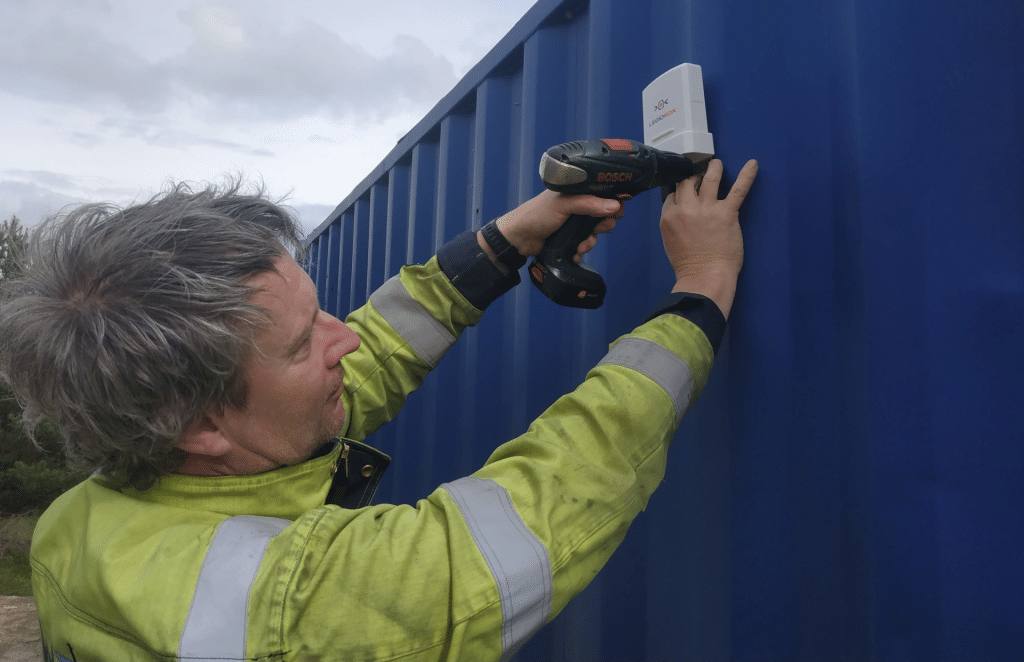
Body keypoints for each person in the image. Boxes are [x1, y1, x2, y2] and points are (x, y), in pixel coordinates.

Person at [0, 157, 757, 661]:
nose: (345, 342)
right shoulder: (291, 608)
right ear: (198, 425)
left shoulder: (78, 518)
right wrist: (699, 292)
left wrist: (501, 244)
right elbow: (544, 506)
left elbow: (364, 360)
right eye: (303, 345)